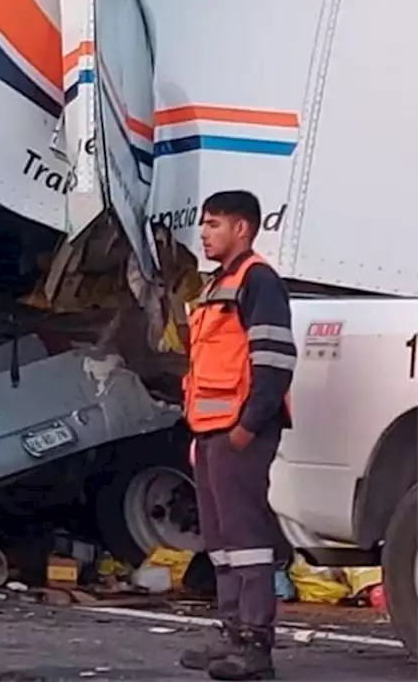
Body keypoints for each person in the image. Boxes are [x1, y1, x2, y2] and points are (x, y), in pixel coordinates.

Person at [178, 190, 296, 681]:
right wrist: (200, 434)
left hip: (238, 432)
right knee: (222, 540)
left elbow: (274, 362)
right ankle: (231, 634)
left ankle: (255, 645)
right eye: (203, 224)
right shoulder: (216, 286)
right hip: (212, 433)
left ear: (242, 229)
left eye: (213, 224)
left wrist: (247, 427)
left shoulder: (257, 280)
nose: (203, 233)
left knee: (246, 539)